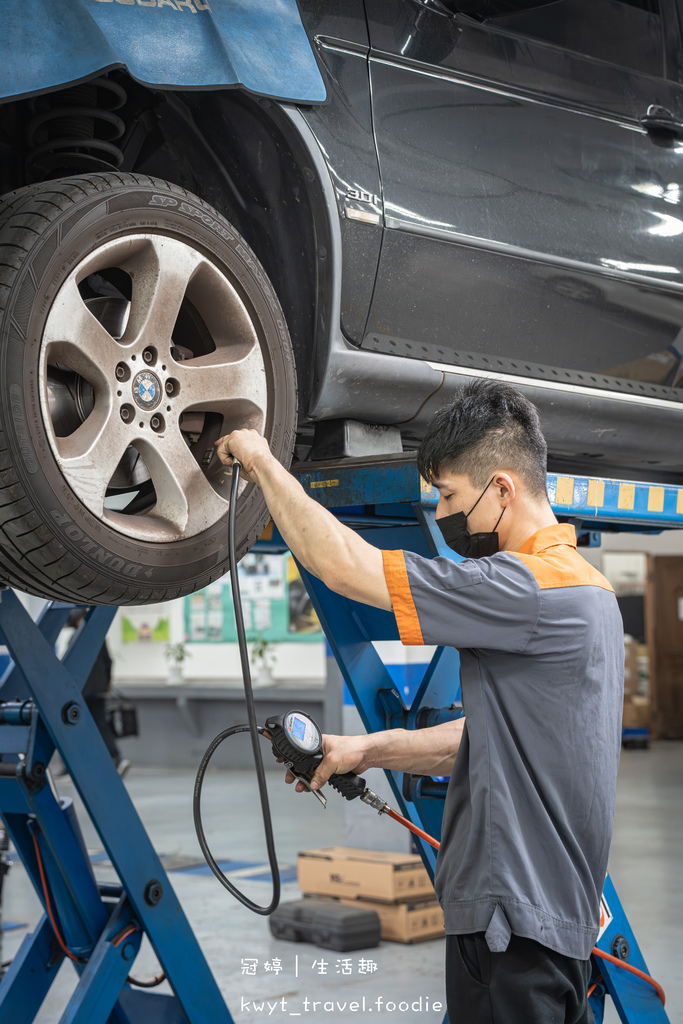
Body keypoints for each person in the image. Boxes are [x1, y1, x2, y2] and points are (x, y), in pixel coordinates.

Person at [215, 380, 623, 1024]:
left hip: (507, 928)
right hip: (558, 930)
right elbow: (496, 736)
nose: (442, 515)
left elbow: (347, 566)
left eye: (452, 497)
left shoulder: (523, 588)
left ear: (503, 490)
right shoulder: (592, 594)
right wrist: (366, 749)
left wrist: (262, 459)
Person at [65, 611, 131, 778]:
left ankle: (74, 764)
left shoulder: (75, 638)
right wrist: (107, 682)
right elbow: (108, 661)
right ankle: (116, 758)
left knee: (73, 726)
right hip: (98, 690)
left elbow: (68, 665)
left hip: (82, 691)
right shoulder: (98, 637)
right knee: (100, 725)